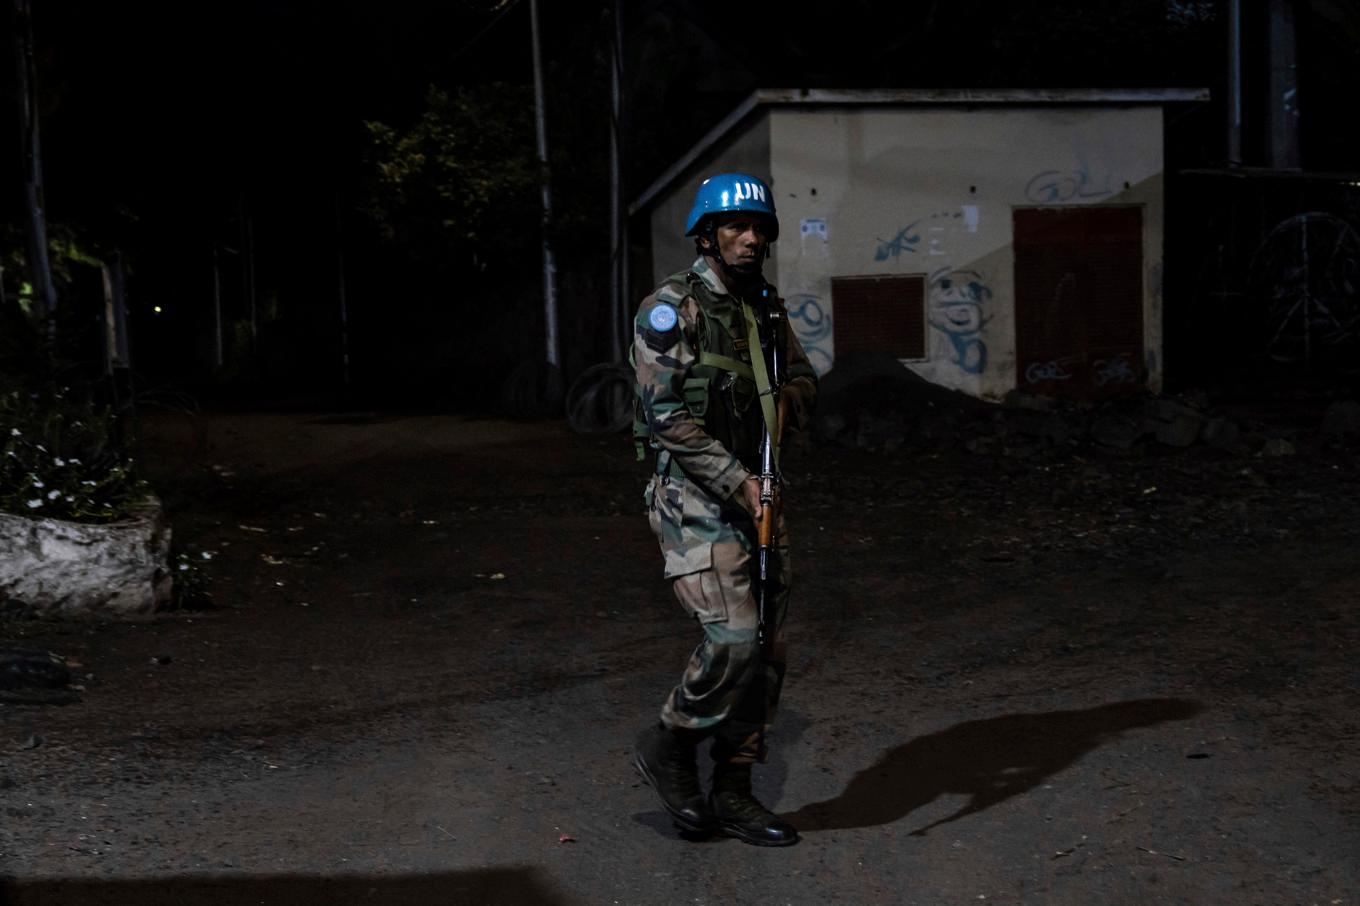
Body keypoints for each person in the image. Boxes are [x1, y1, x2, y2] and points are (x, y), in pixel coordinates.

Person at [631, 172, 817, 846]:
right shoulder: (669, 309)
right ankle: (671, 744)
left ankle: (734, 793)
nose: (750, 239)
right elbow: (664, 417)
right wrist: (738, 478)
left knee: (767, 650)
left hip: (757, 492)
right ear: (707, 235)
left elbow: (802, 376)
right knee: (733, 638)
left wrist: (786, 403)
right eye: (736, 227)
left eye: (759, 228)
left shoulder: (767, 309)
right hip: (694, 496)